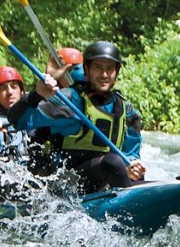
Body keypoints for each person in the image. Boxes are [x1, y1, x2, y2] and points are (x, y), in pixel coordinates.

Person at [8, 41, 147, 194]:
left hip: (107, 181)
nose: (104, 74)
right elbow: (17, 120)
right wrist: (36, 94)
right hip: (70, 183)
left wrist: (133, 164)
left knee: (131, 172)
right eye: (98, 67)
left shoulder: (126, 110)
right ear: (86, 69)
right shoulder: (71, 101)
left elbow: (131, 153)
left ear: (116, 72)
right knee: (113, 162)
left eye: (109, 68)